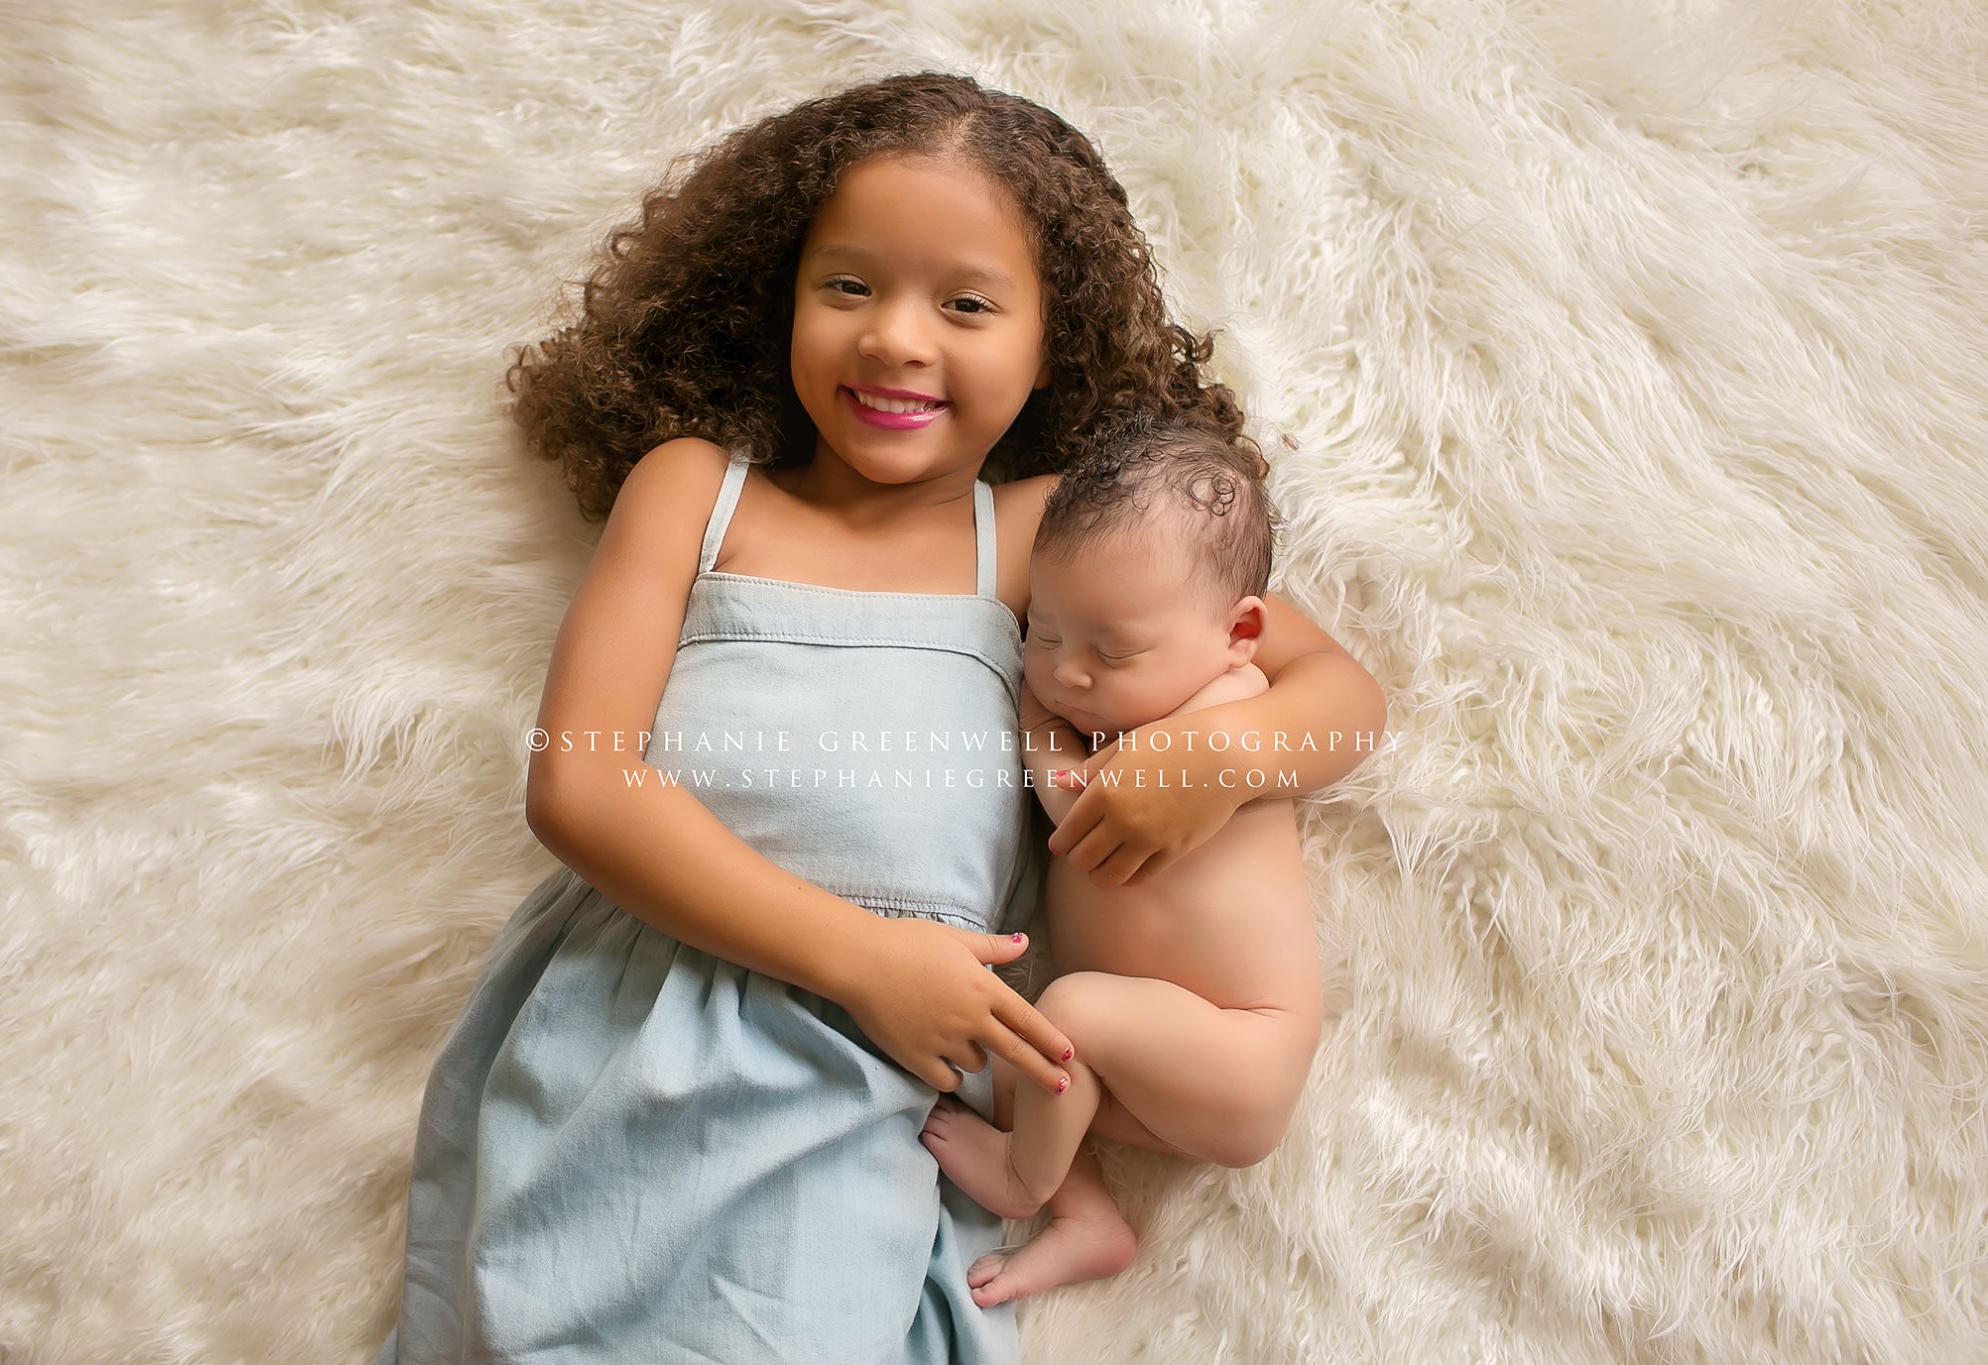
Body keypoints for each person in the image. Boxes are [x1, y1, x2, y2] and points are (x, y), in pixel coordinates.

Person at [374, 70, 1387, 1364]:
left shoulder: (1041, 537)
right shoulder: (698, 491)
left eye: (966, 304)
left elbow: (1342, 693)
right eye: (847, 286)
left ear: (1049, 338)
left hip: (869, 1079)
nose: (898, 339)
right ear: (778, 295)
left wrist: (1223, 751)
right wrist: (859, 955)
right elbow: (579, 783)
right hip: (636, 1035)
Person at [919, 412, 1323, 1308]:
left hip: (1239, 1048)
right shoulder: (1130, 704)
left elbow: (1077, 809)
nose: (1068, 673)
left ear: (1239, 631)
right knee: (1030, 1047)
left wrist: (1033, 727)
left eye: (1114, 649)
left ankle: (1026, 1184)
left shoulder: (1228, 707)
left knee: (1064, 1014)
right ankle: (1087, 1216)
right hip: (1147, 1064)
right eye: (1048, 632)